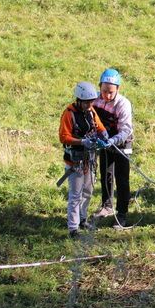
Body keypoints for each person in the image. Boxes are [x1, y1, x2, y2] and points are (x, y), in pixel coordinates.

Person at [58, 82, 108, 238]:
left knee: (88, 191)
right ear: (79, 100)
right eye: (86, 102)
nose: (89, 104)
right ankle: (73, 228)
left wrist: (104, 133)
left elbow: (98, 126)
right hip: (76, 162)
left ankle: (82, 219)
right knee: (76, 195)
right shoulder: (69, 114)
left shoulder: (91, 111)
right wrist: (81, 142)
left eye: (91, 101)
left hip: (90, 159)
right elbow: (63, 136)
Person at [92, 68, 134, 227]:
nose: (107, 95)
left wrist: (113, 141)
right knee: (106, 174)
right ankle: (107, 206)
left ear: (118, 89)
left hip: (122, 143)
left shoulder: (123, 104)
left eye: (110, 92)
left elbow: (126, 129)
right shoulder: (96, 99)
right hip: (104, 142)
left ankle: (122, 213)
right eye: (104, 91)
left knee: (122, 178)